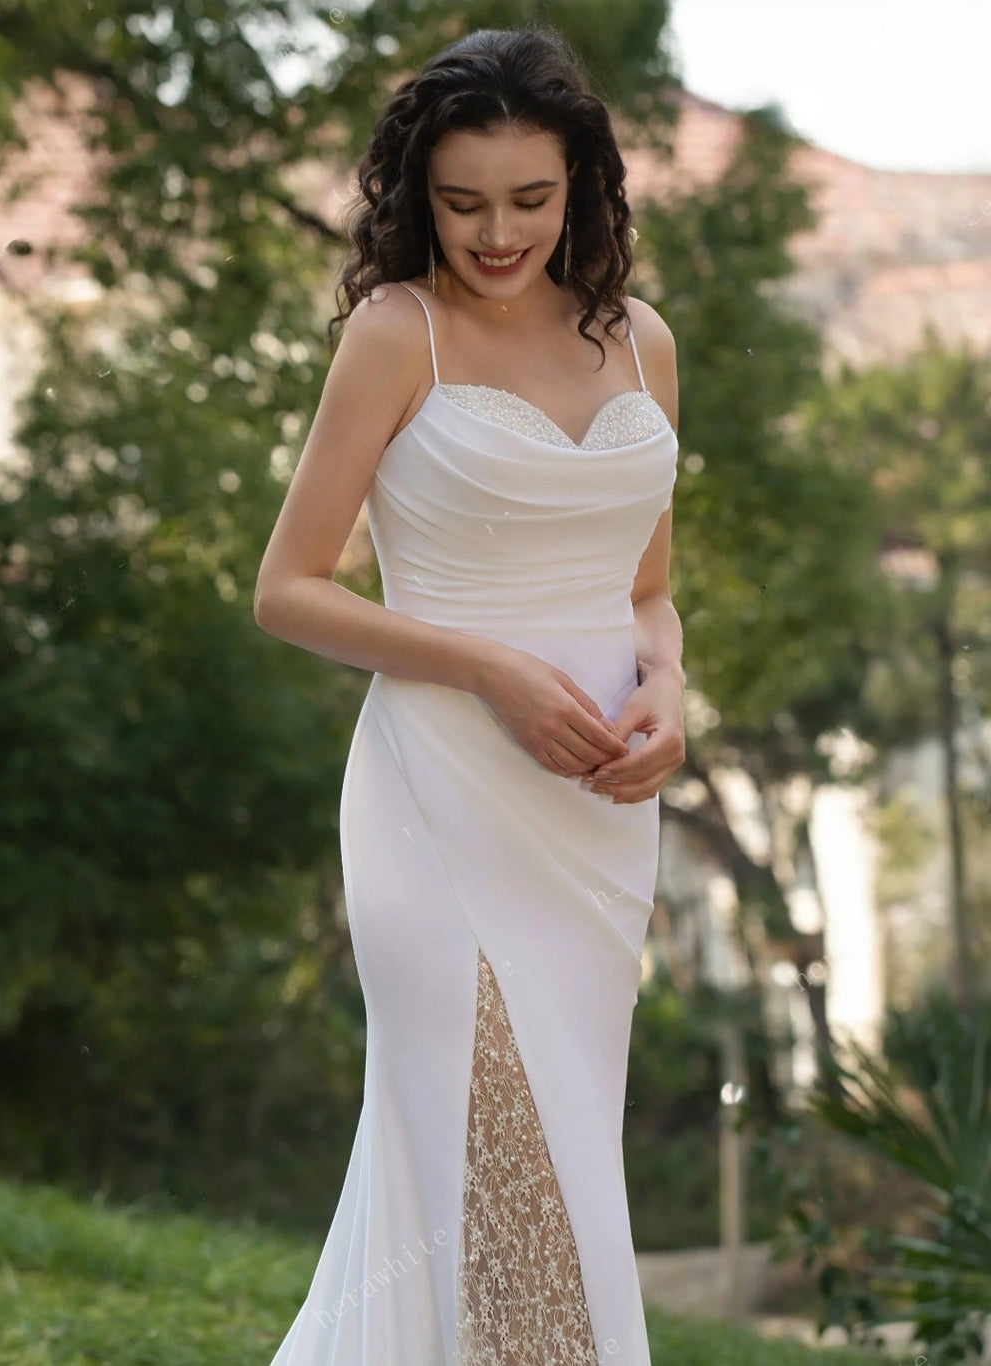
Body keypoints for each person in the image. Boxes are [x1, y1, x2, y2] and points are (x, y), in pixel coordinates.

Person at [254, 22, 685, 1366]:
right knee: (490, 1161)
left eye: (530, 199)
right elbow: (287, 588)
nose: (498, 234)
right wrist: (488, 665)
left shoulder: (644, 344)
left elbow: (647, 590)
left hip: (596, 814)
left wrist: (671, 691)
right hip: (435, 796)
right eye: (463, 203)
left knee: (566, 1165)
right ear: (417, 197)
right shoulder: (400, 334)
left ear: (584, 187)